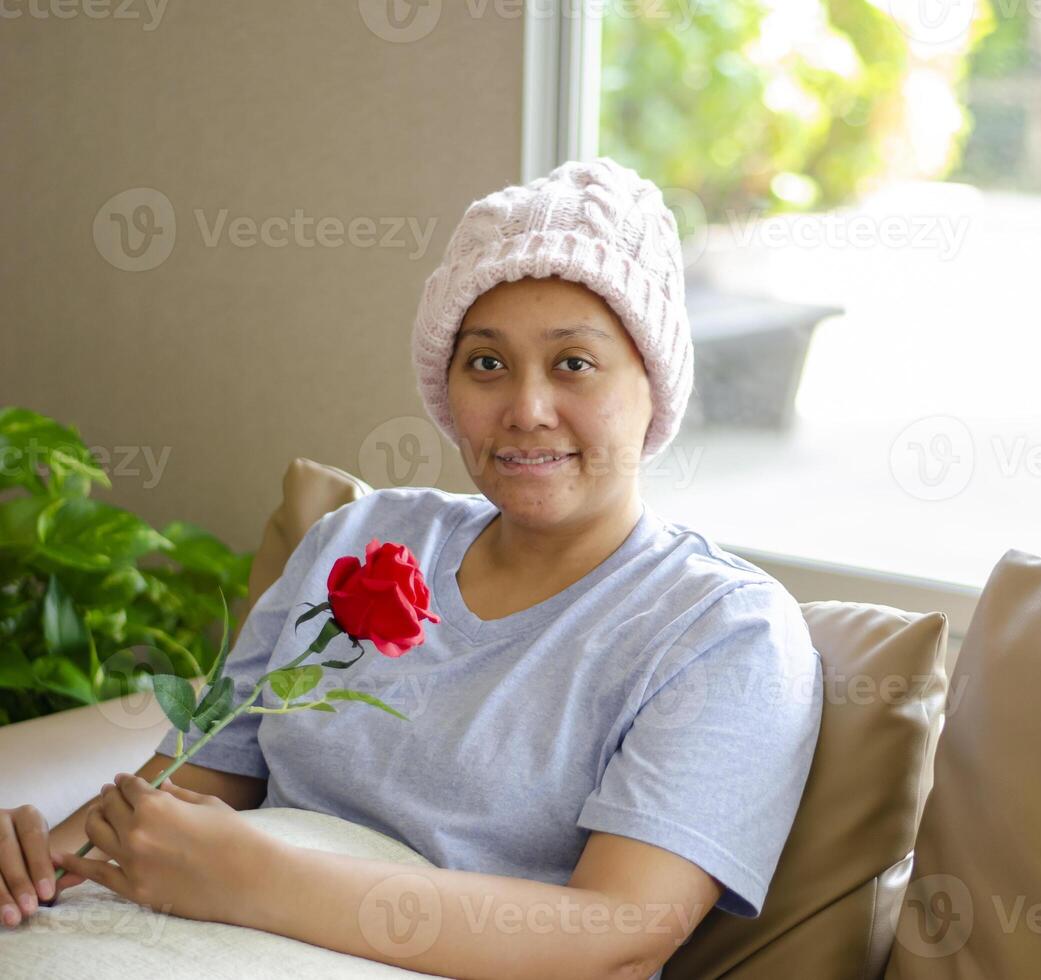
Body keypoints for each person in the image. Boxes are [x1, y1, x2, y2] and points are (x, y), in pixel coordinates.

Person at [2, 158, 825, 980]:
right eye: (486, 363)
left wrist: (254, 880)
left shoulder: (724, 630)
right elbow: (198, 777)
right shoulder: (360, 538)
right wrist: (42, 860)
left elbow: (620, 932)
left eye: (575, 363)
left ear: (655, 383)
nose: (527, 408)